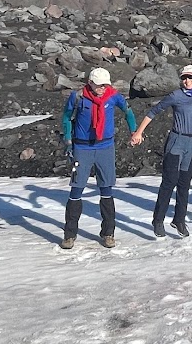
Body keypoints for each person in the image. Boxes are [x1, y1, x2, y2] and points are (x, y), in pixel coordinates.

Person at [130, 64, 192, 238]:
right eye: (184, 78)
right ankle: (158, 220)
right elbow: (153, 112)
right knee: (169, 181)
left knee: (184, 184)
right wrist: (138, 132)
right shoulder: (176, 95)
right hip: (177, 141)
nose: (187, 81)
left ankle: (179, 220)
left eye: (191, 77)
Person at [60, 67, 137, 249]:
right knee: (76, 190)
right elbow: (66, 117)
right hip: (82, 148)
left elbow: (128, 111)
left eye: (105, 85)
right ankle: (69, 235)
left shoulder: (113, 96)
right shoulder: (78, 97)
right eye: (99, 85)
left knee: (106, 190)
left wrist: (134, 131)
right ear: (90, 83)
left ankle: (108, 233)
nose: (102, 88)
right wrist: (68, 141)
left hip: (105, 148)